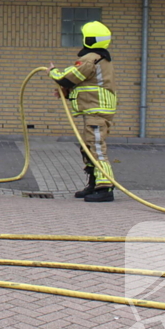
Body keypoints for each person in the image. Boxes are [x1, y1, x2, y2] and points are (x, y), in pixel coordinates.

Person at [48, 21, 118, 203]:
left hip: (96, 111)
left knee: (95, 147)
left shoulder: (91, 59)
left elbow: (70, 77)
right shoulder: (100, 59)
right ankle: (94, 183)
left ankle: (105, 188)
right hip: (94, 110)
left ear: (89, 39)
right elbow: (84, 83)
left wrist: (53, 72)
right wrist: (66, 92)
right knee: (87, 146)